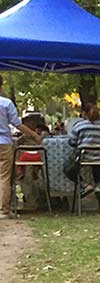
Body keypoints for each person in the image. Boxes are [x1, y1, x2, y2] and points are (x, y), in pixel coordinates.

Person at [0, 76, 45, 218]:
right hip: (4, 142)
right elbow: (16, 124)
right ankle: (3, 210)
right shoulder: (6, 103)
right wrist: (34, 135)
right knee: (4, 176)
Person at [66, 104, 100, 200]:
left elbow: (72, 142)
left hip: (84, 158)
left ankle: (85, 185)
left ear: (84, 114)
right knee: (99, 165)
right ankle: (99, 186)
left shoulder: (79, 126)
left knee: (68, 168)